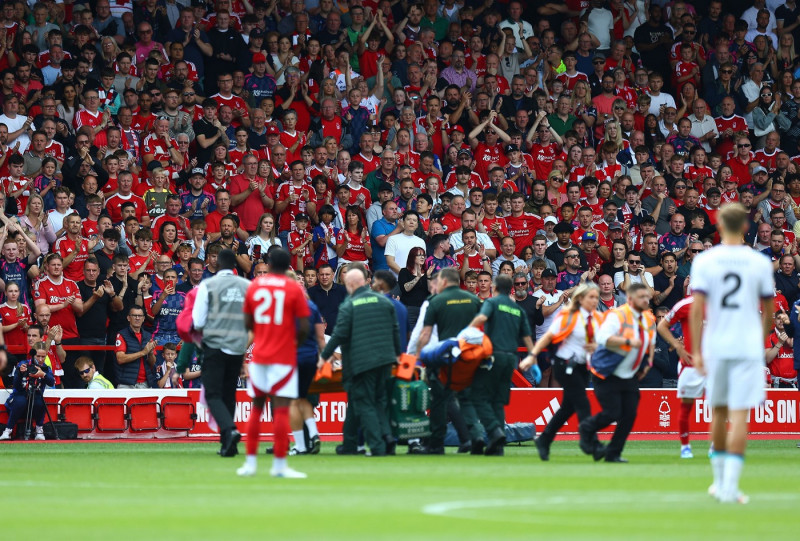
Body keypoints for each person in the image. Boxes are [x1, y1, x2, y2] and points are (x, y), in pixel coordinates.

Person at [689, 203, 774, 504]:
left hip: (717, 346)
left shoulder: (705, 260)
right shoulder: (759, 262)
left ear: (718, 224)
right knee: (740, 415)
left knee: (719, 412)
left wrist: (697, 350)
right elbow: (770, 312)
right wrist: (759, 341)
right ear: (747, 227)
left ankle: (718, 483)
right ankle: (731, 488)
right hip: (747, 348)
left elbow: (697, 309)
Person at [238, 249, 310, 478]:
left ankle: (250, 464)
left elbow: (248, 322)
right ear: (289, 265)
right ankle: (279, 466)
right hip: (283, 358)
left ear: (268, 264)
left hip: (259, 356)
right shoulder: (293, 288)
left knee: (257, 409)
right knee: (280, 410)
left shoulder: (255, 287)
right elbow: (305, 326)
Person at [319, 263, 401, 457]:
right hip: (385, 360)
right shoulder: (384, 301)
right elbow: (395, 330)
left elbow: (338, 335)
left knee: (364, 402)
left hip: (361, 362)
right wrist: (396, 355)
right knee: (376, 401)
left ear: (349, 284)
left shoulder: (349, 305)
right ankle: (356, 443)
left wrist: (323, 357)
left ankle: (378, 446)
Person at [521, 282, 603, 461]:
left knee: (567, 407)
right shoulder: (569, 315)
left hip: (581, 366)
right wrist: (532, 355)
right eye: (591, 297)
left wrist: (597, 346)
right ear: (580, 298)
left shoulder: (597, 317)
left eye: (596, 297)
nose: (595, 300)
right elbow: (549, 336)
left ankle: (544, 439)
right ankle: (591, 443)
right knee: (582, 402)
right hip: (564, 364)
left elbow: (602, 340)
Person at [579, 282, 656, 463]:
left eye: (647, 297)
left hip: (628, 374)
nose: (646, 300)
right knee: (613, 412)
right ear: (629, 299)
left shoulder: (647, 318)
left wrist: (648, 361)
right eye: (641, 297)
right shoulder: (618, 315)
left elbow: (650, 341)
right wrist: (627, 342)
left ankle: (613, 452)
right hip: (607, 372)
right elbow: (603, 338)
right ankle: (587, 427)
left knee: (629, 414)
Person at [415, 267, 482, 454]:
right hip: (468, 357)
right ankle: (472, 437)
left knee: (439, 400)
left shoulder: (436, 301)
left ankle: (436, 444)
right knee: (464, 400)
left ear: (443, 281)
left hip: (444, 358)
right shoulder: (474, 300)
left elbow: (425, 333)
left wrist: (419, 359)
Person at [468, 274, 537, 456]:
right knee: (498, 401)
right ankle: (497, 445)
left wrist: (465, 334)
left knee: (479, 397)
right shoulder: (517, 309)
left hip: (493, 356)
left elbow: (481, 319)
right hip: (510, 359)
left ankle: (494, 430)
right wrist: (533, 359)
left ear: (495, 287)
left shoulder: (492, 302)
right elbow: (528, 337)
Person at [193, 249, 250, 458]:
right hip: (237, 346)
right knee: (229, 394)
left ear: (216, 263)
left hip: (215, 345)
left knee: (212, 393)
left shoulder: (208, 285)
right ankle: (228, 445)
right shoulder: (247, 286)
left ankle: (229, 430)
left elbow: (198, 321)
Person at [657, 295, 704, 458]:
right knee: (686, 406)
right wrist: (677, 345)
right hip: (689, 365)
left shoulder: (721, 303)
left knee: (720, 407)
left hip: (714, 365)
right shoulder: (684, 305)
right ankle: (685, 446)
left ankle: (716, 446)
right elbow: (662, 326)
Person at [0, 342, 54, 441]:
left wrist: (43, 375)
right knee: (21, 401)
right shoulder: (23, 364)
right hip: (19, 398)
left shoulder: (45, 368)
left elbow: (52, 382)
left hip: (36, 399)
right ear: (33, 354)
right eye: (38, 356)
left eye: (43, 356)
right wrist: (20, 373)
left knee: (40, 402)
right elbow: (16, 385)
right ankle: (8, 430)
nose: (41, 359)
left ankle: (39, 430)